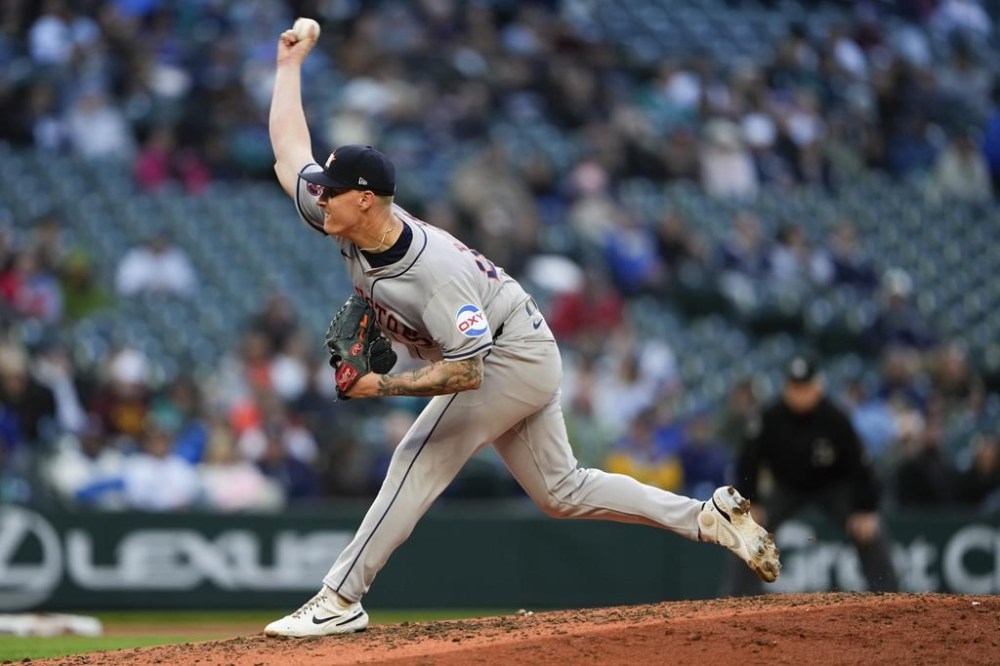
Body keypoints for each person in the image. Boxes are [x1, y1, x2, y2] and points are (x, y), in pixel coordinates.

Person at [262, 22, 780, 638]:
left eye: (335, 192)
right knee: (562, 490)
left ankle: (341, 596)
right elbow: (288, 152)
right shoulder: (338, 217)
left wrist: (384, 388)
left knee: (417, 454)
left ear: (368, 200)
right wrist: (289, 67)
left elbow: (468, 371)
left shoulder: (435, 270)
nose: (320, 198)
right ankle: (707, 517)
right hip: (515, 344)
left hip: (509, 352)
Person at [732, 355, 899, 596]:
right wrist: (751, 501)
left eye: (805, 387)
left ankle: (888, 596)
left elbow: (862, 465)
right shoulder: (770, 418)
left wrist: (865, 508)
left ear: (818, 386)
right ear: (785, 387)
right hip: (786, 487)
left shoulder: (835, 418)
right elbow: (748, 461)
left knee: (869, 530)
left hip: (833, 487)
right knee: (747, 528)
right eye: (794, 387)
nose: (799, 394)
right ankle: (738, 600)